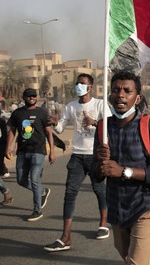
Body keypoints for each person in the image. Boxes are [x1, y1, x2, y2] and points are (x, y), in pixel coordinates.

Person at [93, 71, 150, 264]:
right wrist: (100, 163)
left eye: (127, 91)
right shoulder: (103, 128)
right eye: (115, 90)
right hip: (117, 208)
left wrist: (124, 171)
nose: (120, 94)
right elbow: (97, 175)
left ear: (137, 98)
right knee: (127, 256)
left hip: (146, 205)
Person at [44, 74, 111, 252]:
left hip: (95, 154)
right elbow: (60, 128)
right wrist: (54, 122)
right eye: (77, 83)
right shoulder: (71, 106)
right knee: (70, 193)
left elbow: (111, 126)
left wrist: (95, 122)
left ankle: (103, 223)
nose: (78, 86)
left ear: (90, 87)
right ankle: (66, 237)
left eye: (82, 83)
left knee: (99, 190)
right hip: (77, 156)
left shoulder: (99, 104)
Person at [4, 88, 56, 221]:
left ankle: (37, 210)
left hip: (38, 151)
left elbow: (49, 132)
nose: (32, 98)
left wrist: (52, 151)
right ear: (24, 98)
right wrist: (8, 147)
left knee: (34, 179)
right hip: (22, 151)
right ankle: (42, 192)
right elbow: (12, 131)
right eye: (29, 96)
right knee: (21, 180)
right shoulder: (17, 113)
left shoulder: (42, 112)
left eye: (34, 96)